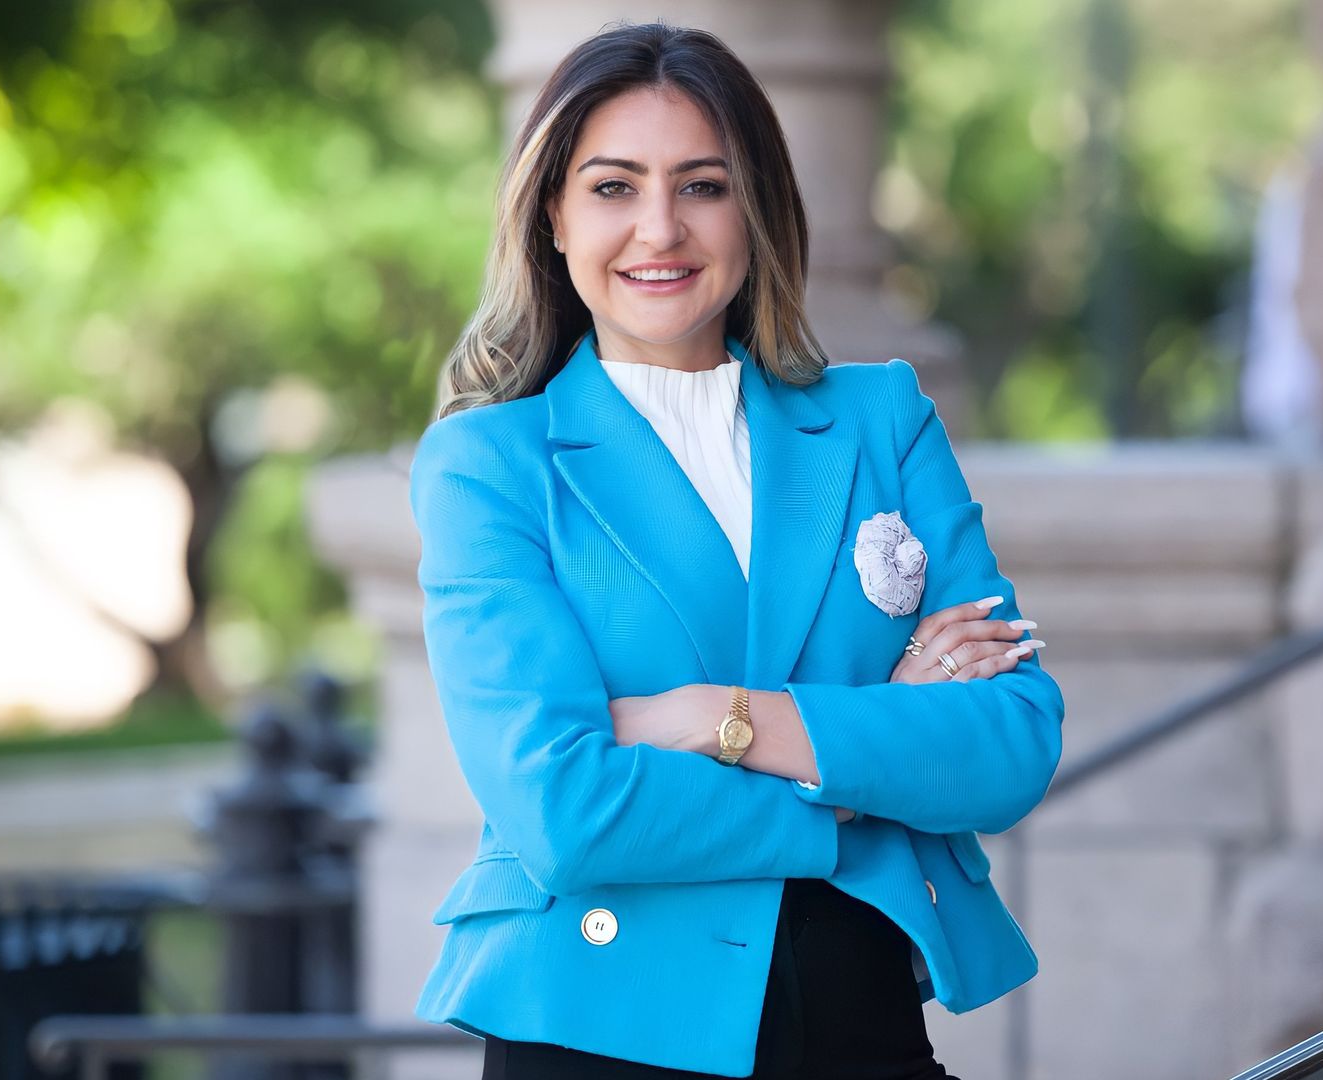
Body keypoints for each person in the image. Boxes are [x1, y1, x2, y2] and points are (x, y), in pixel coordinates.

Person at [406, 21, 1064, 1080]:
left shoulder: (878, 421)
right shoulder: (489, 464)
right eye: (614, 188)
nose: (659, 229)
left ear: (756, 210)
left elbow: (1011, 739)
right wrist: (852, 774)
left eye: (702, 186)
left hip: (864, 1020)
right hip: (598, 1032)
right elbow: (564, 812)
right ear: (554, 218)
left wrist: (709, 722)